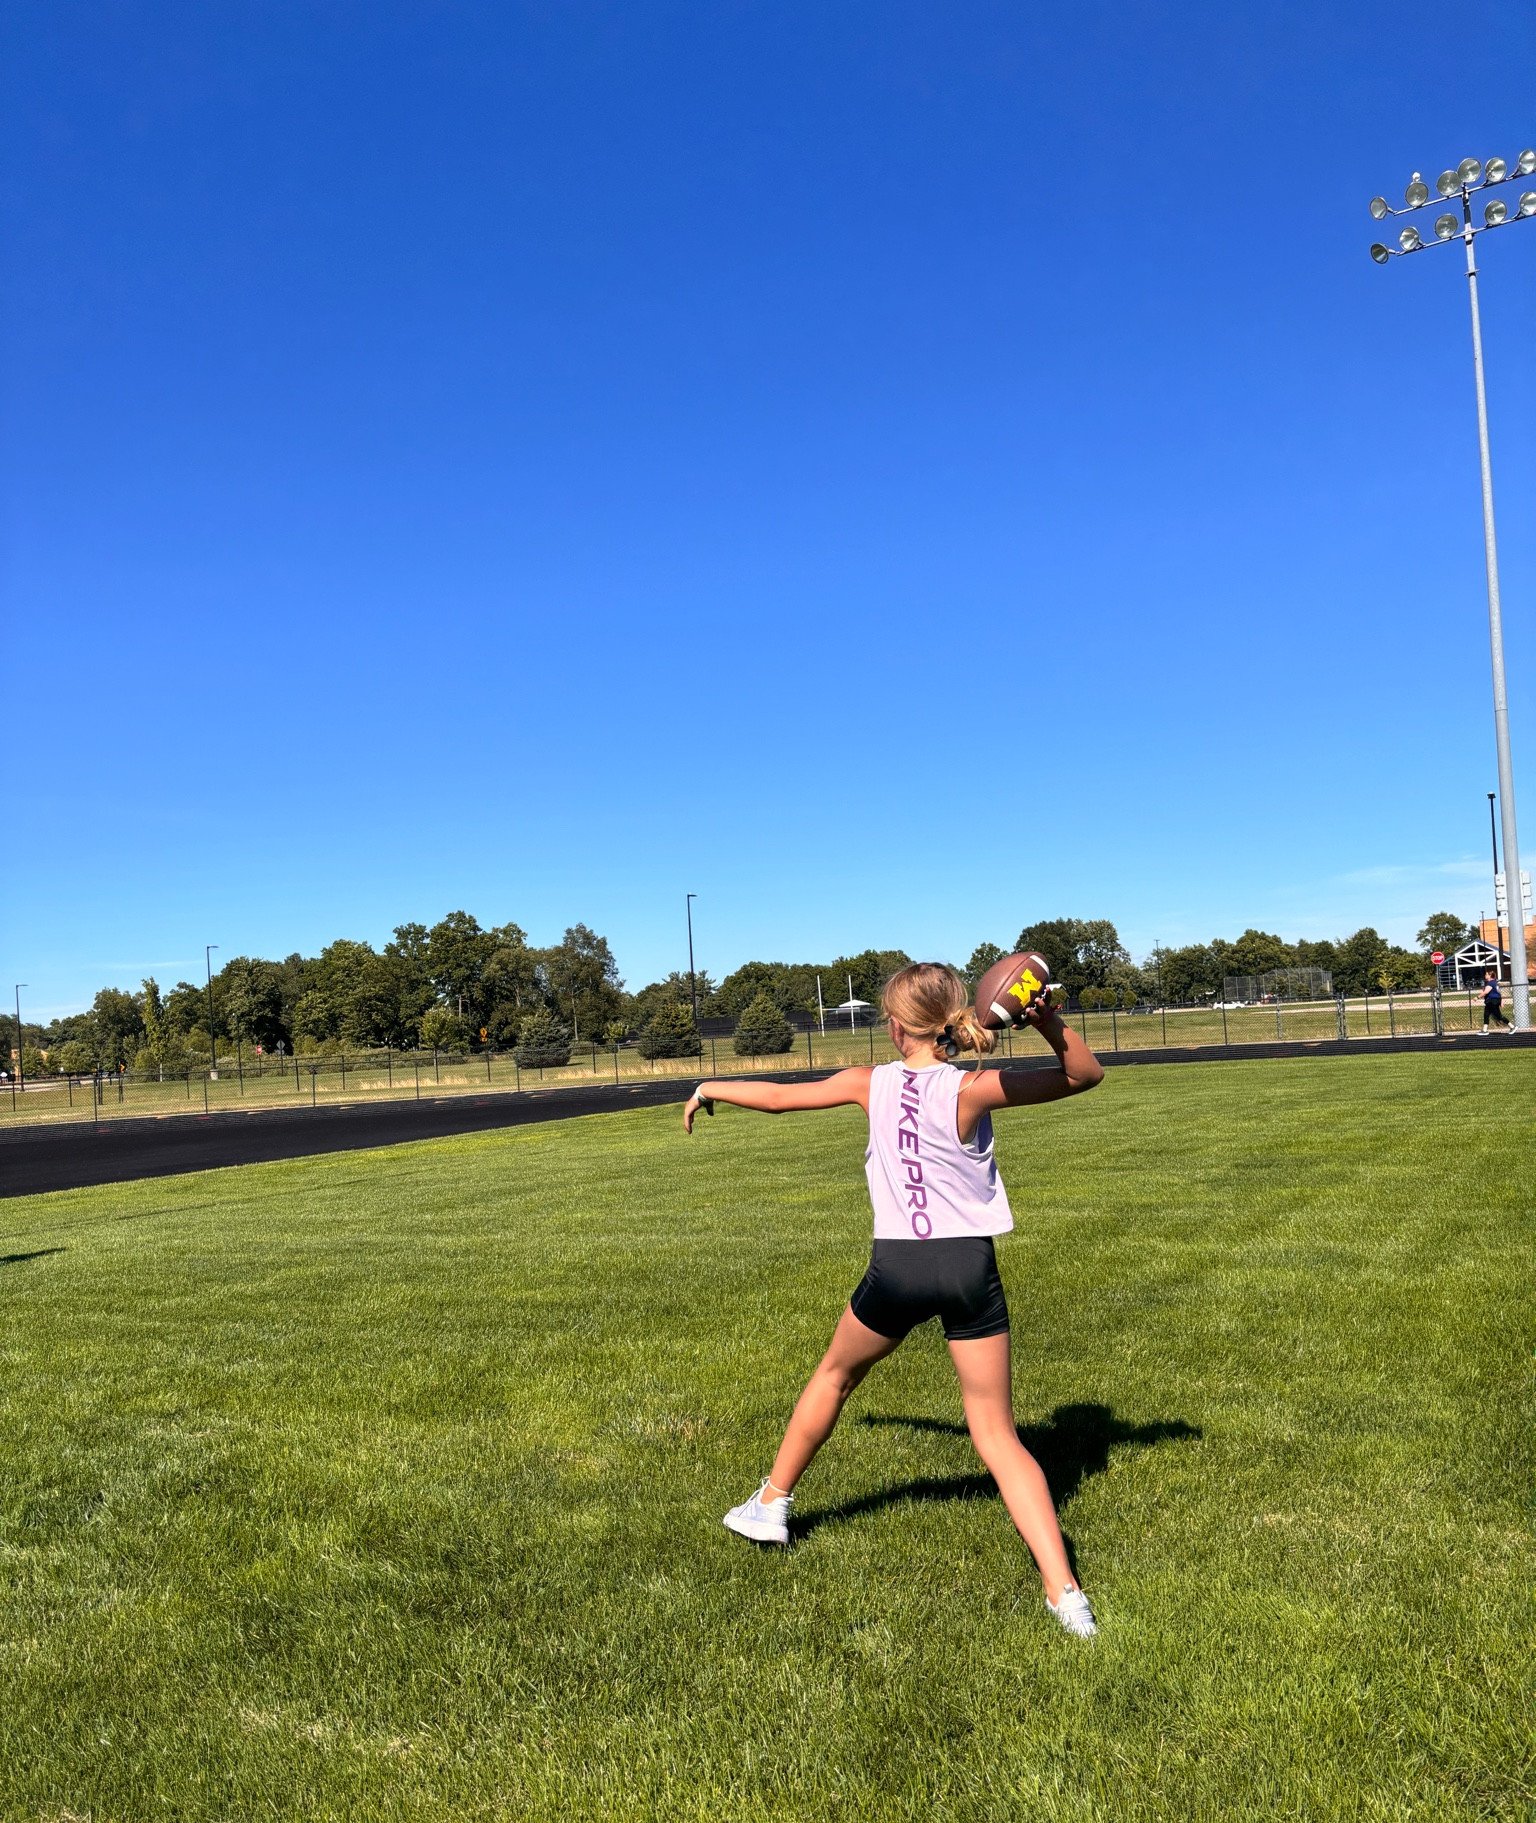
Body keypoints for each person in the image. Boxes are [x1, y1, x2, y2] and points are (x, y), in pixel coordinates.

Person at [683, 961, 1105, 1638]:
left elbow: (780, 1098)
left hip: (898, 1267)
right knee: (996, 1433)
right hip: (968, 1265)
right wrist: (1046, 1019)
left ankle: (771, 1503)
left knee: (835, 1375)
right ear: (947, 1019)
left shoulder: (867, 1082)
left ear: (893, 1023)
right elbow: (1085, 1075)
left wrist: (709, 1085)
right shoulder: (972, 1087)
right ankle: (1066, 1594)